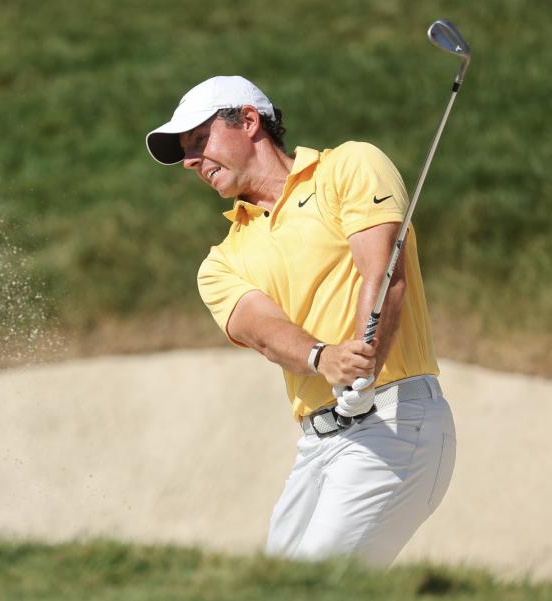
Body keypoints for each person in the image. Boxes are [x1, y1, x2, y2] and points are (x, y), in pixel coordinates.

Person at [145, 75, 456, 567]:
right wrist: (323, 357)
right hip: (318, 444)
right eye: (185, 152)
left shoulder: (350, 165)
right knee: (276, 588)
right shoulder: (221, 262)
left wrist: (363, 362)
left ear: (248, 121)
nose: (190, 161)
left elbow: (383, 272)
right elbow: (264, 331)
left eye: (200, 141)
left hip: (396, 426)